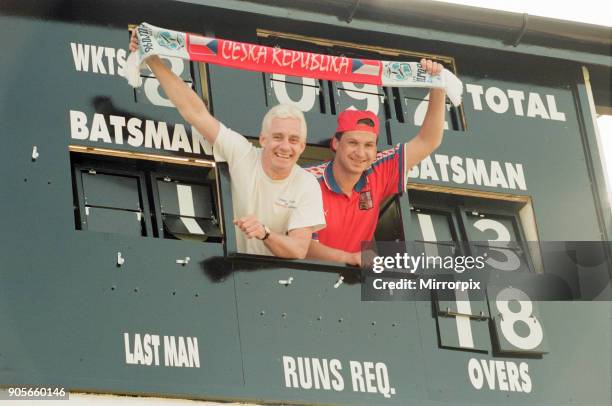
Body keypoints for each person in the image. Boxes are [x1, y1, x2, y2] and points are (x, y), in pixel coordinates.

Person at [129, 31, 325, 259]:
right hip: (233, 273)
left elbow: (299, 250)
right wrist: (152, 58)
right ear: (263, 140)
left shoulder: (307, 183)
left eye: (293, 140)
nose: (285, 146)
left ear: (302, 147)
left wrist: (264, 233)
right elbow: (195, 113)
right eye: (278, 137)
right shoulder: (243, 153)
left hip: (279, 281)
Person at [305, 59, 446, 266]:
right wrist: (350, 258)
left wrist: (438, 86)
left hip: (352, 283)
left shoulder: (378, 169)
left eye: (369, 145)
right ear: (336, 143)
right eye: (353, 142)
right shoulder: (308, 180)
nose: (361, 153)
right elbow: (302, 246)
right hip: (303, 278)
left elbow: (428, 141)